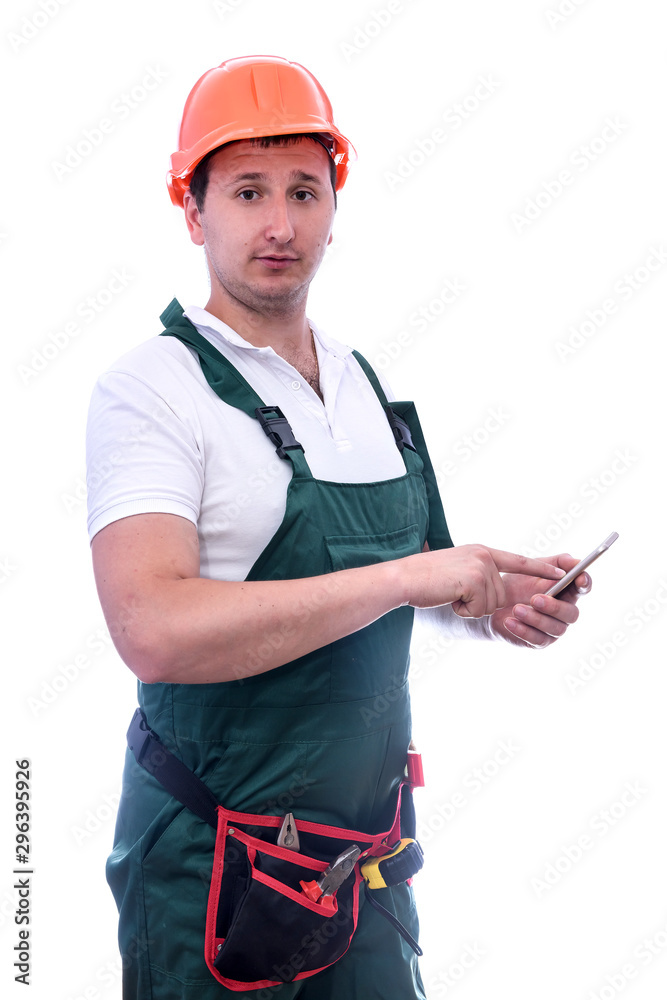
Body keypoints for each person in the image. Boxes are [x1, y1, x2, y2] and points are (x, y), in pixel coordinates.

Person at [86, 55, 590, 1000]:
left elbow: (414, 571)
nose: (280, 224)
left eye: (304, 192)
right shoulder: (151, 390)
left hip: (362, 868)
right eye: (246, 191)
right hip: (212, 871)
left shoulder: (361, 382)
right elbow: (150, 631)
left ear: (333, 205)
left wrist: (489, 599)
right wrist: (406, 581)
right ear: (192, 211)